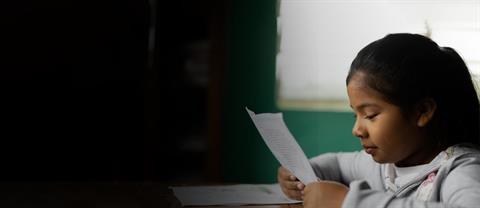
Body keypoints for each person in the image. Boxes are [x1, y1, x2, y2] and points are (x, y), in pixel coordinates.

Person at [278, 33, 480, 208]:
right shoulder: (384, 165)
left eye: (371, 115)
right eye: (354, 115)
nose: (357, 129)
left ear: (422, 111)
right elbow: (337, 164)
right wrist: (302, 173)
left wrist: (349, 202)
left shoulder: (461, 169)